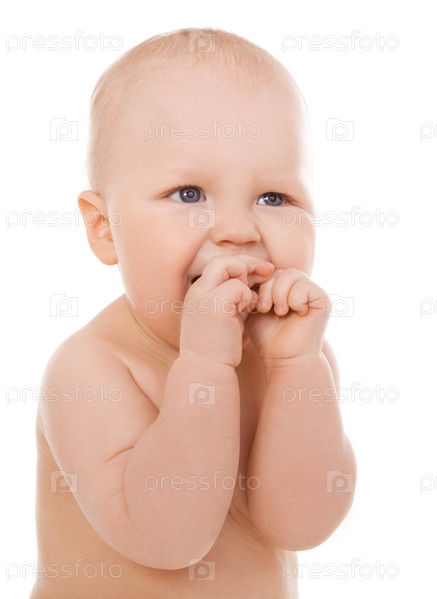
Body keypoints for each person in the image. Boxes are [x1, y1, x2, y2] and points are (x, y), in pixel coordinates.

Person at [31, 27, 356, 598]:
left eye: (273, 198)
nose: (237, 230)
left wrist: (297, 370)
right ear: (104, 228)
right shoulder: (90, 369)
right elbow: (166, 540)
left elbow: (302, 526)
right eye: (188, 194)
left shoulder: (295, 355)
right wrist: (204, 365)